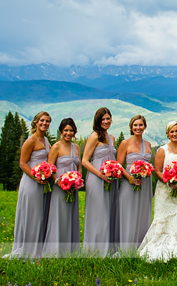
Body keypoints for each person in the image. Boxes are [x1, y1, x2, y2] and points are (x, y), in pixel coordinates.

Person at [138, 121, 177, 261]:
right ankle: (158, 248)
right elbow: (157, 170)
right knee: (164, 218)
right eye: (172, 132)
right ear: (167, 134)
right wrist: (169, 181)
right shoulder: (162, 150)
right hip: (165, 190)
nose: (174, 134)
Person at [9, 111, 52, 258]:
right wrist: (36, 176)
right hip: (31, 182)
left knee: (41, 215)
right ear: (35, 122)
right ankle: (28, 251)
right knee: (32, 215)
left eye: (47, 121)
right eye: (42, 120)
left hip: (44, 182)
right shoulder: (31, 140)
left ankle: (39, 249)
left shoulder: (46, 141)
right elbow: (22, 163)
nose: (44, 123)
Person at [82, 107, 119, 256]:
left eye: (108, 118)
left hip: (111, 179)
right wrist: (101, 175)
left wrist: (113, 172)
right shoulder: (94, 137)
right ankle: (94, 250)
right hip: (97, 178)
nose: (106, 121)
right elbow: (84, 161)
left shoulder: (112, 137)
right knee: (98, 213)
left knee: (109, 212)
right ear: (97, 121)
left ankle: (108, 249)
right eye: (103, 119)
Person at [42, 117, 81, 257]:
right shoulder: (56, 147)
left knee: (71, 217)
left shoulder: (76, 147)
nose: (68, 133)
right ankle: (55, 251)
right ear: (61, 131)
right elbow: (50, 168)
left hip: (73, 188)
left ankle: (70, 251)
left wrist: (77, 181)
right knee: (59, 217)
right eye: (66, 130)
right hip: (60, 189)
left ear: (74, 132)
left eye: (71, 130)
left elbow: (79, 166)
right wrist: (59, 182)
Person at [116, 114, 153, 251]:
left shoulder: (148, 144)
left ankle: (140, 247)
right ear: (131, 127)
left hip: (145, 184)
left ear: (144, 126)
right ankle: (126, 248)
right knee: (128, 213)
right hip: (128, 183)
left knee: (143, 213)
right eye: (135, 125)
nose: (138, 127)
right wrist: (130, 178)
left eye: (140, 125)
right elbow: (119, 166)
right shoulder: (125, 143)